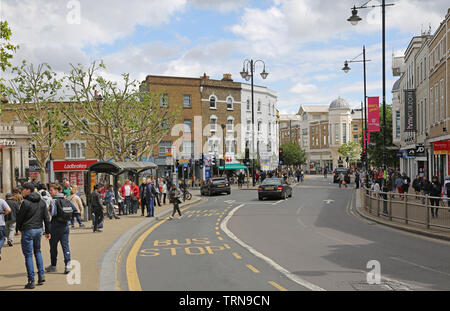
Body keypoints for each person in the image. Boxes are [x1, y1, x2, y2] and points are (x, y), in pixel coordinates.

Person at [16, 183, 50, 289]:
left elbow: (20, 218)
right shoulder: (42, 202)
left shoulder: (25, 202)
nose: (21, 191)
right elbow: (46, 218)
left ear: (28, 190)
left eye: (23, 189)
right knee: (38, 252)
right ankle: (41, 275)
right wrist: (48, 231)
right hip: (38, 229)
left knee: (28, 255)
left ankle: (31, 280)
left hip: (28, 230)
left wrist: (19, 228)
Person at [46, 184, 76, 274]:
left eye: (51, 190)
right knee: (65, 246)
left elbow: (53, 213)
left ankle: (53, 265)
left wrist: (49, 209)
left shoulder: (53, 201)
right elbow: (74, 209)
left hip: (55, 226)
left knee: (53, 247)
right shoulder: (66, 199)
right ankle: (67, 265)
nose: (50, 192)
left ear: (56, 191)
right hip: (65, 226)